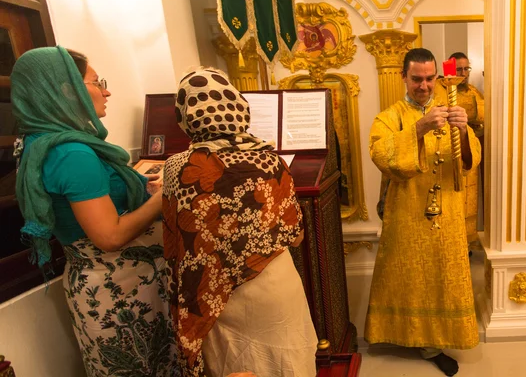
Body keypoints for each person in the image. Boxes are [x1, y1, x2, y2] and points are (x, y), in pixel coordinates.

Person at [11, 46, 179, 376]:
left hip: (107, 286)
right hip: (122, 294)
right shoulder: (72, 153)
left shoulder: (44, 142)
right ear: (66, 90)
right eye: (96, 81)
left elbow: (90, 198)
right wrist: (164, 198)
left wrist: (138, 183)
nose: (107, 90)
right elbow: (109, 235)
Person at [162, 67, 318, 376]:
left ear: (185, 114)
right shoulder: (270, 160)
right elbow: (296, 235)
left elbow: (176, 245)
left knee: (231, 365)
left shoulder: (178, 167)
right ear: (237, 107)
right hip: (273, 286)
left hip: (217, 298)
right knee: (285, 365)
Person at [365, 48, 481, 377]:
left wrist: (461, 130)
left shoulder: (451, 110)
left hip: (446, 215)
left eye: (430, 79)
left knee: (442, 278)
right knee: (409, 277)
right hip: (407, 213)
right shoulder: (390, 116)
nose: (425, 86)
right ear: (404, 77)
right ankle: (404, 335)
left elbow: (471, 160)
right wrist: (419, 128)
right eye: (417, 79)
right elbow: (380, 153)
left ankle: (436, 342)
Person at [435, 52, 484, 245]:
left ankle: (467, 242)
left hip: (468, 151)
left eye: (466, 69)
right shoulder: (440, 89)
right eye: (459, 69)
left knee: (469, 200)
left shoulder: (473, 90)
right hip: (446, 151)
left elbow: (482, 116)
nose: (463, 73)